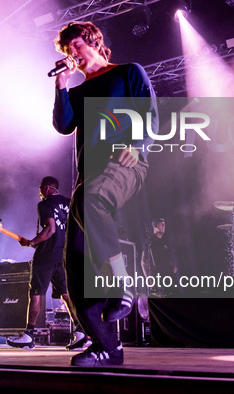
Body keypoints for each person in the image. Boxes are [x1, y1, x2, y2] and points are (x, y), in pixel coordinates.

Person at [52, 22, 157, 366]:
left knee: (91, 199)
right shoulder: (79, 91)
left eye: (76, 46)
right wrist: (61, 85)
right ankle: (107, 348)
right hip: (89, 178)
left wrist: (138, 146)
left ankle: (122, 282)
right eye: (67, 51)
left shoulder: (128, 72)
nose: (72, 55)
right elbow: (63, 124)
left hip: (126, 164)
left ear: (94, 41)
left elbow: (150, 114)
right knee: (75, 263)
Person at [7, 176, 90, 350]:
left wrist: (32, 242)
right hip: (63, 256)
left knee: (36, 294)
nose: (39, 192)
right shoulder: (69, 202)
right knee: (66, 295)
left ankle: (29, 336)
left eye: (40, 189)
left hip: (45, 257)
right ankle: (81, 332)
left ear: (46, 188)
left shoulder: (44, 205)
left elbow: (51, 229)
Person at [141, 218, 178, 296]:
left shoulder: (165, 241)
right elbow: (143, 262)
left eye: (164, 224)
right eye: (162, 224)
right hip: (156, 278)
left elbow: (166, 257)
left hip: (167, 278)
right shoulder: (150, 241)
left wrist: (172, 265)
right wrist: (149, 280)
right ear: (155, 226)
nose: (164, 226)